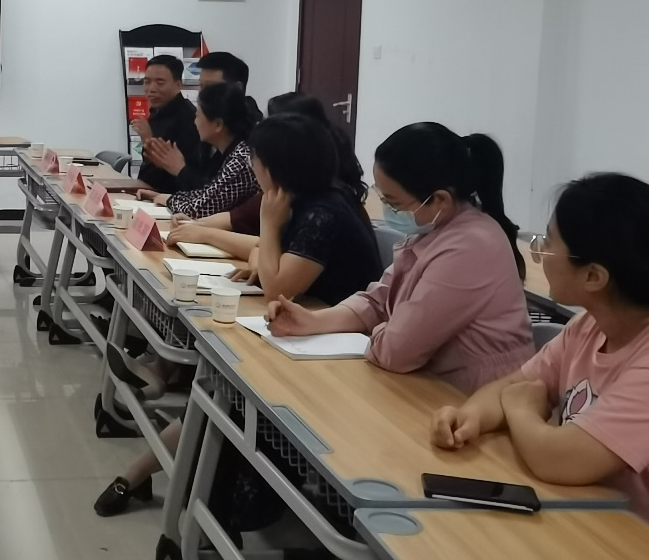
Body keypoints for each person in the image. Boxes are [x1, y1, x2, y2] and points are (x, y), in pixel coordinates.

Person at [96, 113, 381, 518]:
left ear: (276, 166)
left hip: (334, 349)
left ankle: (146, 472)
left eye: (256, 159)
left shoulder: (324, 211)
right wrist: (264, 251)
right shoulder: (306, 199)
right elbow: (268, 259)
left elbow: (277, 287)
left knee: (223, 391)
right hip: (307, 328)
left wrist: (268, 228)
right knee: (219, 388)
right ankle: (139, 472)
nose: (251, 165)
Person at [431, 173, 649, 517]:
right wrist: (470, 417)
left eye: (548, 242)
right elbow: (512, 386)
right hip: (584, 510)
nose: (539, 252)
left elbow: (560, 459)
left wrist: (520, 410)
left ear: (593, 276)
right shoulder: (588, 326)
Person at [266, 122, 534, 394]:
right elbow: (377, 300)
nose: (387, 210)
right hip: (431, 384)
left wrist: (388, 328)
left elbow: (396, 351)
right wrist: (314, 321)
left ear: (440, 199)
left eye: (394, 203)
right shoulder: (434, 228)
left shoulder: (469, 247)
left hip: (475, 395)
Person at [167, 91, 369, 255]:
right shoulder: (296, 186)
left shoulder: (322, 204)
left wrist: (204, 232)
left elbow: (276, 266)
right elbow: (243, 219)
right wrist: (196, 226)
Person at [143, 51, 264, 190]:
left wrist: (179, 169)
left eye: (211, 87)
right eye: (201, 86)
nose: (202, 94)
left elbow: (213, 194)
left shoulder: (250, 140)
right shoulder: (205, 124)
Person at [140, 82, 257, 219]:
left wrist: (168, 200)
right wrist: (165, 197)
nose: (195, 122)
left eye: (198, 116)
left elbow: (201, 208)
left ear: (218, 125)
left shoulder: (241, 159)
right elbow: (206, 193)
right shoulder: (225, 152)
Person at [131, 55, 204, 196]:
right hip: (145, 189)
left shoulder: (187, 118)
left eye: (160, 83)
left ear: (178, 85)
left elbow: (172, 172)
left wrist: (148, 139)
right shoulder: (158, 110)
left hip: (168, 197)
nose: (151, 89)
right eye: (147, 82)